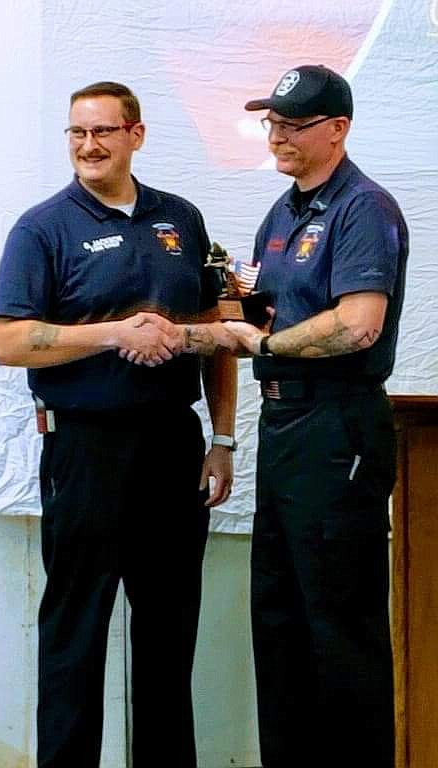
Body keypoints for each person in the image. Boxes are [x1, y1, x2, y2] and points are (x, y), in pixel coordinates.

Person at [0, 81, 237, 768]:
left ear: (136, 134)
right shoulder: (44, 227)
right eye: (76, 133)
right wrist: (113, 334)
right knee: (76, 631)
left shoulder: (180, 220)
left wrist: (222, 439)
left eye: (102, 131)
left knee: (167, 631)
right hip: (85, 448)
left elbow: (218, 333)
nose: (88, 146)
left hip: (172, 448)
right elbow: (6, 341)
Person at [221, 65, 408, 768]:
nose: (278, 137)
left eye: (293, 125)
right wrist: (219, 314)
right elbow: (259, 308)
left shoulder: (365, 208)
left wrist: (264, 344)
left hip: (338, 429)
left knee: (338, 628)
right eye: (272, 123)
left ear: (337, 129)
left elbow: (358, 325)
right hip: (284, 429)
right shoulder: (284, 212)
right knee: (281, 620)